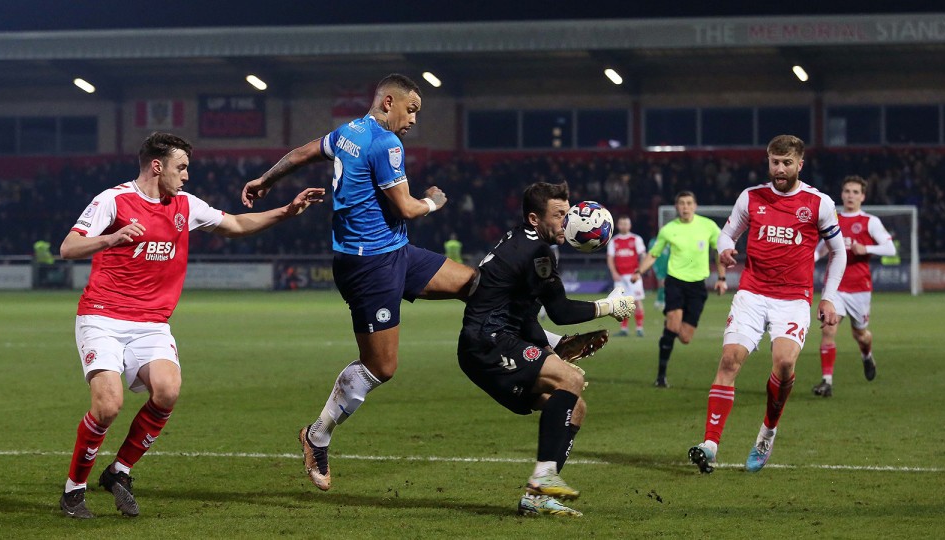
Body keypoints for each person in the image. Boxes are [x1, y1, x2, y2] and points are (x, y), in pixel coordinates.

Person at [59, 132, 324, 518]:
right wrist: (111, 239)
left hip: (152, 322)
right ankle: (73, 491)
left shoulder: (186, 205)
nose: (186, 175)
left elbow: (235, 224)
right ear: (157, 166)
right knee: (108, 405)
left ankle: (119, 471)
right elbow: (68, 247)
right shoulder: (112, 200)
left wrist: (286, 211)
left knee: (167, 391)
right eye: (181, 167)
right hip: (103, 317)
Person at [241, 74, 480, 492]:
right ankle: (317, 435)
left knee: (475, 284)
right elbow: (406, 208)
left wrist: (266, 180)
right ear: (388, 102)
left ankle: (539, 345)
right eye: (411, 110)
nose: (413, 120)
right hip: (369, 266)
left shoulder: (347, 133)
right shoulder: (386, 144)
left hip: (396, 252)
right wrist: (433, 202)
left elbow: (299, 154)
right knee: (381, 367)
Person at [457, 181, 635, 517]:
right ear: (535, 219)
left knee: (575, 407)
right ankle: (543, 476)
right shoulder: (536, 252)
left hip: (494, 342)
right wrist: (609, 306)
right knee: (571, 380)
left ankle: (535, 498)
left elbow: (525, 316)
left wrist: (553, 347)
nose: (567, 221)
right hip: (488, 342)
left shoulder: (524, 242)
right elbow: (561, 311)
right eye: (559, 215)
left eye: (569, 213)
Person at [687, 134, 846, 474]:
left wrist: (829, 297)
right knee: (730, 359)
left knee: (785, 363)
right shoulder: (751, 197)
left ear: (800, 164)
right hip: (752, 293)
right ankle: (710, 444)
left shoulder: (819, 203)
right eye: (775, 162)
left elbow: (839, 251)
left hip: (793, 299)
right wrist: (724, 249)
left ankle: (767, 433)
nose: (780, 169)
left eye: (787, 163)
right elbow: (727, 234)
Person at [631, 191, 728, 388]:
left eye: (689, 203)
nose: (685, 207)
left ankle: (669, 327)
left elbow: (720, 251)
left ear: (695, 206)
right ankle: (661, 377)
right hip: (675, 282)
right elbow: (654, 254)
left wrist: (721, 278)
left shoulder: (708, 226)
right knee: (673, 326)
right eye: (682, 203)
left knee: (684, 337)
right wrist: (639, 271)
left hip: (697, 286)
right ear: (676, 207)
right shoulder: (668, 229)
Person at [812, 175, 896, 397]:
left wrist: (866, 249)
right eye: (847, 191)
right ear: (842, 194)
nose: (851, 196)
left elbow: (890, 249)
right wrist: (808, 260)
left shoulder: (870, 221)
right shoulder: (834, 219)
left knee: (861, 335)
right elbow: (820, 249)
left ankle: (866, 355)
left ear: (863, 196)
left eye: (855, 192)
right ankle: (826, 381)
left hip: (860, 289)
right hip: (835, 287)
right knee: (828, 330)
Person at [606, 216, 647, 337]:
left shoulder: (636, 239)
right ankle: (624, 329)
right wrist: (614, 272)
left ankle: (639, 328)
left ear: (630, 225)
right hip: (620, 277)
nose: (624, 226)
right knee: (622, 303)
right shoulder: (614, 241)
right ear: (618, 225)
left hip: (633, 277)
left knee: (637, 301)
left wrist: (639, 272)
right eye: (622, 223)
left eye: (626, 223)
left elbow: (643, 255)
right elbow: (610, 258)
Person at [646, 235, 670, 311]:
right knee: (661, 282)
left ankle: (662, 300)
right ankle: (660, 301)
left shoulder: (669, 241)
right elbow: (650, 253)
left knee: (665, 283)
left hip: (668, 264)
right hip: (658, 264)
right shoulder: (653, 241)